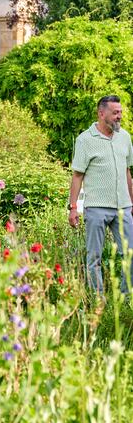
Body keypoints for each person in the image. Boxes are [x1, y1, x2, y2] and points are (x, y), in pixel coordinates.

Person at [69, 95, 133, 295]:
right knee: (94, 257)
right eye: (115, 113)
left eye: (120, 112)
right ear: (101, 113)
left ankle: (125, 300)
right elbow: (77, 176)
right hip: (96, 208)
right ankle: (97, 300)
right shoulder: (85, 140)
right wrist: (73, 208)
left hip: (123, 208)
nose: (119, 116)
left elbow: (127, 171)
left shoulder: (125, 137)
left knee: (129, 254)